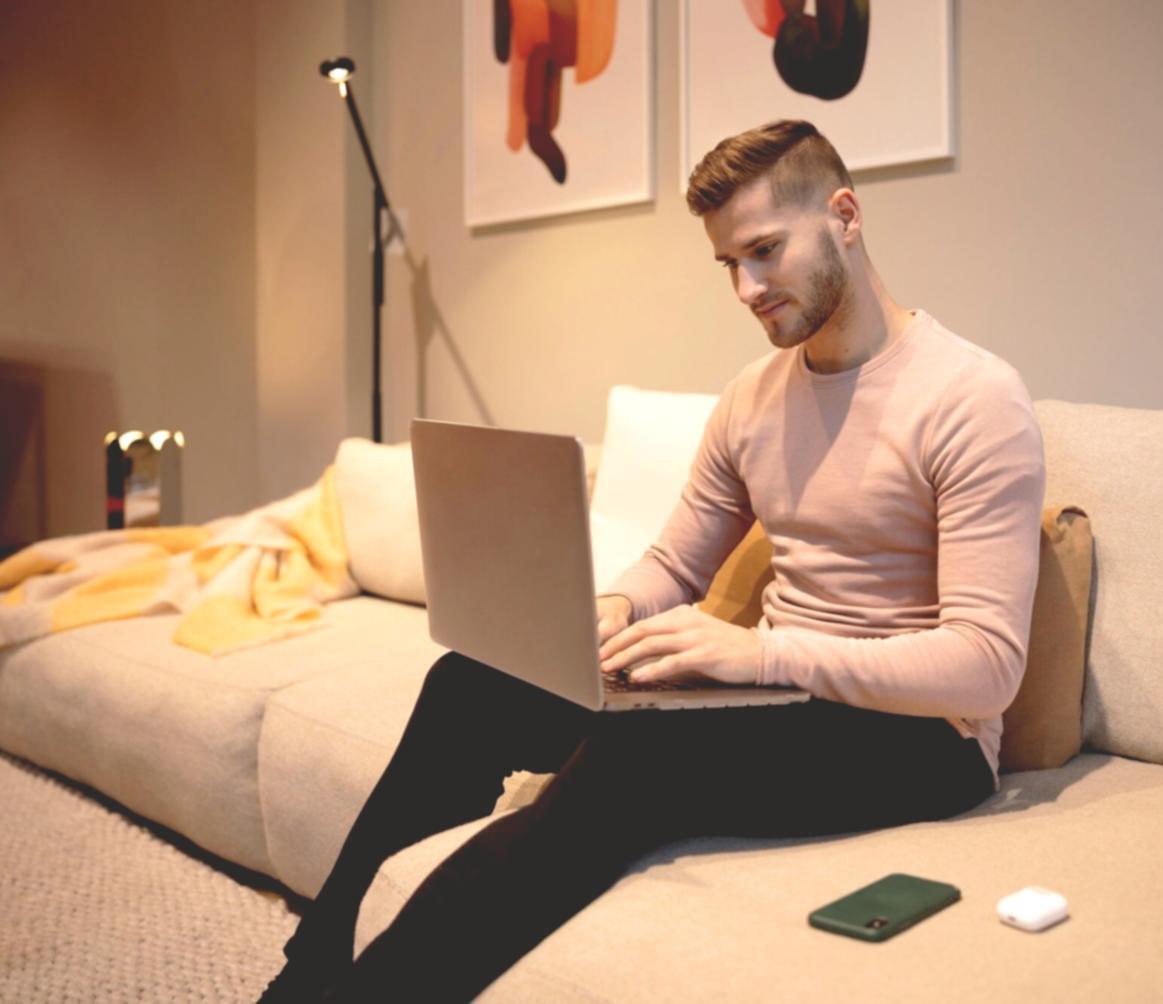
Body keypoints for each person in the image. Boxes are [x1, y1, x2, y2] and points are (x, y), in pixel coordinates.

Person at [260, 119, 1046, 1002]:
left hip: (919, 738)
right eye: (728, 265)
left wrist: (761, 655)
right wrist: (615, 609)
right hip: (777, 695)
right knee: (469, 684)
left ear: (845, 216)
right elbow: (676, 559)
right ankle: (304, 980)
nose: (746, 289)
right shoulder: (752, 398)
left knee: (638, 753)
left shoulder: (972, 397)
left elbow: (986, 668)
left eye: (764, 251)